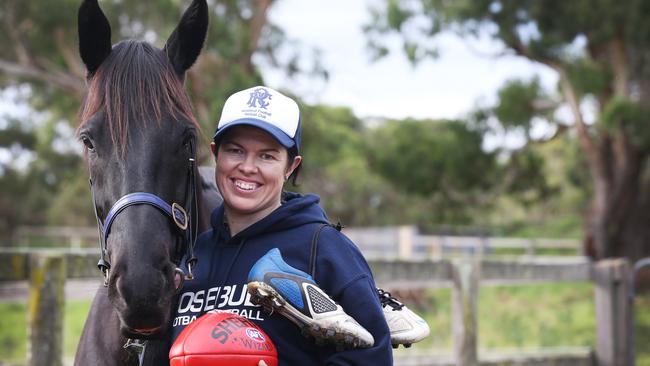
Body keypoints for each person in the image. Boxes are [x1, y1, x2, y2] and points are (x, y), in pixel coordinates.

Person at [171, 86, 393, 365]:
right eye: (235, 151)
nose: (248, 167)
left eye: (267, 155)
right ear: (216, 154)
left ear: (290, 166)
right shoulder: (195, 253)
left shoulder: (323, 249)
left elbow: (371, 357)